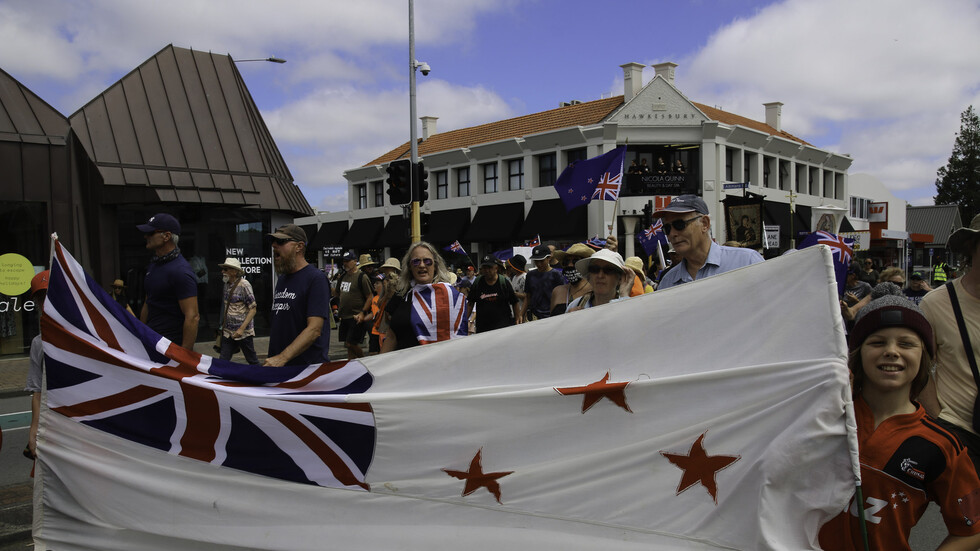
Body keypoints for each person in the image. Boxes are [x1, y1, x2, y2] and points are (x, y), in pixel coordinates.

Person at [818, 288, 980, 551]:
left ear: (924, 356)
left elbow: (972, 529)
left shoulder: (942, 445)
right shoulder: (824, 415)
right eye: (878, 342)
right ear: (857, 354)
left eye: (906, 343)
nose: (891, 351)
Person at [919, 214, 980, 472]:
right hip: (961, 433)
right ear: (971, 249)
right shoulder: (936, 304)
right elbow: (918, 368)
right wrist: (939, 420)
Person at [654, 195, 763, 289]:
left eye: (679, 225)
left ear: (705, 224)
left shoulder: (746, 262)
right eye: (667, 228)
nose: (672, 234)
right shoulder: (667, 283)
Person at [381, 241, 467, 352]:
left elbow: (457, 338)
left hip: (431, 365)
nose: (422, 265)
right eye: (416, 261)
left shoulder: (448, 295)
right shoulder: (402, 294)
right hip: (401, 364)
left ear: (435, 266)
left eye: (427, 261)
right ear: (410, 267)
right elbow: (391, 336)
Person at [265, 224, 330, 367]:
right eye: (273, 242)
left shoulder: (316, 278)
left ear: (299, 247)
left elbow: (314, 329)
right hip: (280, 369)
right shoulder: (282, 279)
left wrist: (282, 358)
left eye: (281, 242)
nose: (274, 245)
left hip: (306, 372)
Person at [137, 213, 199, 349]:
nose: (146, 236)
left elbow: (192, 316)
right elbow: (149, 301)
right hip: (151, 342)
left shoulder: (181, 271)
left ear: (166, 236)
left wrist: (184, 357)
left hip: (171, 347)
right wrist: (141, 333)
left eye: (150, 233)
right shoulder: (153, 265)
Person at [24, 270, 49, 463]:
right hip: (52, 425)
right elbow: (38, 391)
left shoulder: (86, 335)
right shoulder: (38, 343)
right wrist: (34, 429)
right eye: (40, 298)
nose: (45, 303)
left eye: (49, 295)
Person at [217, 257, 258, 365]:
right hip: (228, 332)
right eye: (223, 269)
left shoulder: (244, 285)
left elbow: (253, 309)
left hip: (243, 333)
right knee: (223, 360)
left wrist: (241, 329)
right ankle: (220, 380)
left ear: (234, 272)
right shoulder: (226, 285)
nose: (222, 272)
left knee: (252, 360)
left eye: (225, 269)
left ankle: (261, 379)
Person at [335, 251, 374, 359]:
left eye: (348, 261)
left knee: (350, 343)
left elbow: (369, 297)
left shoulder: (362, 277)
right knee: (349, 346)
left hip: (356, 316)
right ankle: (351, 365)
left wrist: (362, 313)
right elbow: (337, 293)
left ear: (355, 262)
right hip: (344, 316)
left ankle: (364, 362)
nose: (345, 263)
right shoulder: (343, 277)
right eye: (344, 261)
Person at [467, 255, 520, 333]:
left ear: (496, 268)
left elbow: (514, 302)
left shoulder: (504, 283)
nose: (487, 270)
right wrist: (464, 320)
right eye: (484, 268)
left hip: (503, 328)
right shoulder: (477, 283)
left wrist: (517, 319)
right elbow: (470, 303)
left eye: (489, 267)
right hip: (483, 329)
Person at [567, 249, 634, 310]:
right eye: (595, 269)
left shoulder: (631, 307)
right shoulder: (575, 305)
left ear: (620, 278)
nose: (600, 275)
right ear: (589, 276)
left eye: (608, 270)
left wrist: (624, 296)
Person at [550, 243, 593, 316]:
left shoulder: (594, 290)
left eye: (575, 261)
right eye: (566, 262)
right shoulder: (557, 291)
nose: (570, 265)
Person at [523, 244, 564, 320]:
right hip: (534, 316)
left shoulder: (557, 275)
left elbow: (562, 298)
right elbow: (527, 296)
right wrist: (521, 314)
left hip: (552, 316)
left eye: (541, 261)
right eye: (536, 261)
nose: (539, 264)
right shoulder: (530, 275)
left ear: (548, 258)